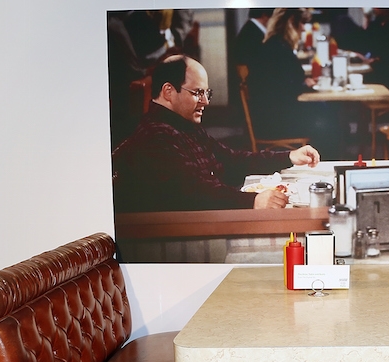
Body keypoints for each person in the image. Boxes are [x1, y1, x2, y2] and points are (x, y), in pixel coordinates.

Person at [112, 56, 320, 212]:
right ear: (168, 91)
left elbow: (231, 159)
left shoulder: (183, 125)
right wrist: (253, 202)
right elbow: (195, 192)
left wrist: (288, 156)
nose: (206, 101)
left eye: (206, 93)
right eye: (197, 93)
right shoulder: (155, 137)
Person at [247, 8, 338, 158]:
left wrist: (302, 82)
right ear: (290, 22)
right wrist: (303, 84)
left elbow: (279, 83)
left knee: (326, 111)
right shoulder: (278, 48)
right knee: (328, 120)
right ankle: (327, 162)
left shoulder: (274, 44)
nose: (303, 27)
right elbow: (284, 89)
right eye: (301, 23)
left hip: (270, 114)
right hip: (274, 122)